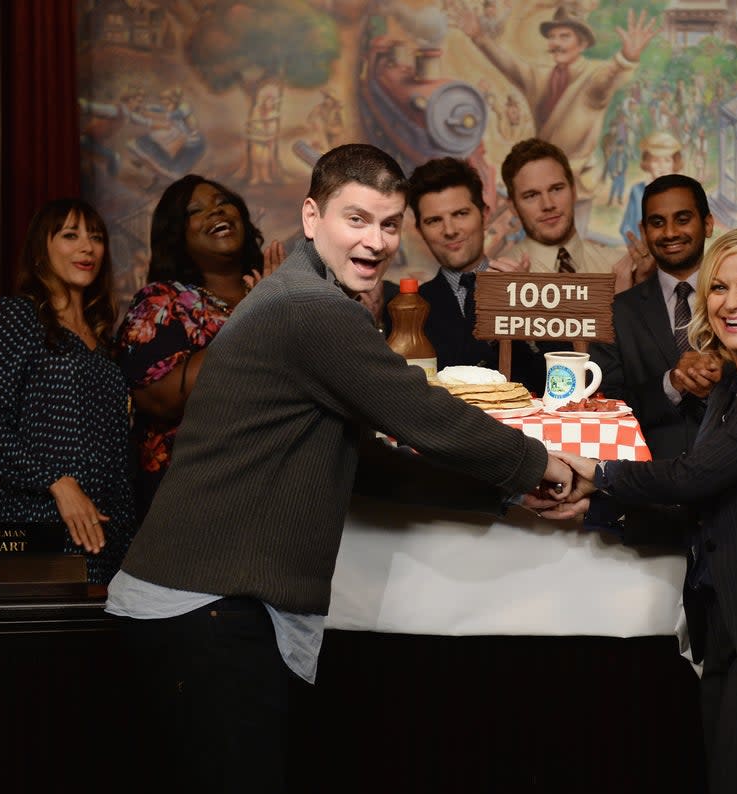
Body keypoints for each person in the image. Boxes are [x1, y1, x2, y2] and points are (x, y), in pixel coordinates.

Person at [105, 144, 570, 790]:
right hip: (204, 609)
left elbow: (368, 463)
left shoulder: (306, 296)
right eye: (356, 220)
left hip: (207, 608)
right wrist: (540, 462)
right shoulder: (311, 310)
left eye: (389, 224)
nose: (376, 241)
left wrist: (502, 494)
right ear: (310, 217)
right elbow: (421, 413)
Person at [540, 226, 737, 793]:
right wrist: (596, 507)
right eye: (719, 288)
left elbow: (696, 475)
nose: (732, 303)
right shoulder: (736, 386)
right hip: (736, 624)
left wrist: (598, 472)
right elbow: (706, 500)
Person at [0, 199, 135, 584]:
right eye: (70, 235)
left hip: (112, 532)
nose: (87, 247)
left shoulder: (103, 341)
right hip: (42, 523)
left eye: (95, 238)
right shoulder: (19, 317)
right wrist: (59, 484)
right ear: (41, 249)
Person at [116, 174, 285, 521]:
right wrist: (252, 319)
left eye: (223, 202)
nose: (215, 211)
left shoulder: (282, 294)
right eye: (196, 210)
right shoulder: (162, 302)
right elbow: (159, 400)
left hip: (280, 491)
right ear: (176, 234)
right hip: (195, 503)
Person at [455, 4, 657, 194]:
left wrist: (627, 58)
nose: (556, 43)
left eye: (564, 36)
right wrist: (479, 37)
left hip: (576, 184)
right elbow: (509, 65)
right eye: (552, 37)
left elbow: (608, 78)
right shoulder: (539, 77)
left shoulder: (593, 76)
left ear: (582, 43)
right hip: (542, 180)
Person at [590, 174, 722, 459]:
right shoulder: (616, 312)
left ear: (708, 223)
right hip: (649, 480)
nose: (670, 232)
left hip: (733, 476)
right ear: (643, 230)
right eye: (657, 223)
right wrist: (671, 383)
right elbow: (605, 404)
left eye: (683, 219)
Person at [406, 156, 562, 393]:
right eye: (434, 220)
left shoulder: (534, 293)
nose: (449, 230)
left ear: (485, 215)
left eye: (460, 214)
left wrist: (525, 310)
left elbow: (560, 381)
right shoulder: (409, 307)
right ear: (420, 230)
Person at [499, 137, 651, 292]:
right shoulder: (500, 282)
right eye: (531, 195)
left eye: (556, 189)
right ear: (512, 207)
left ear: (574, 191)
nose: (548, 204)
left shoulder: (624, 269)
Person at [619, 131, 683, 241]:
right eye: (656, 161)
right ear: (647, 163)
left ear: (674, 163)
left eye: (667, 160)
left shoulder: (683, 192)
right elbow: (626, 227)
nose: (661, 166)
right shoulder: (638, 191)